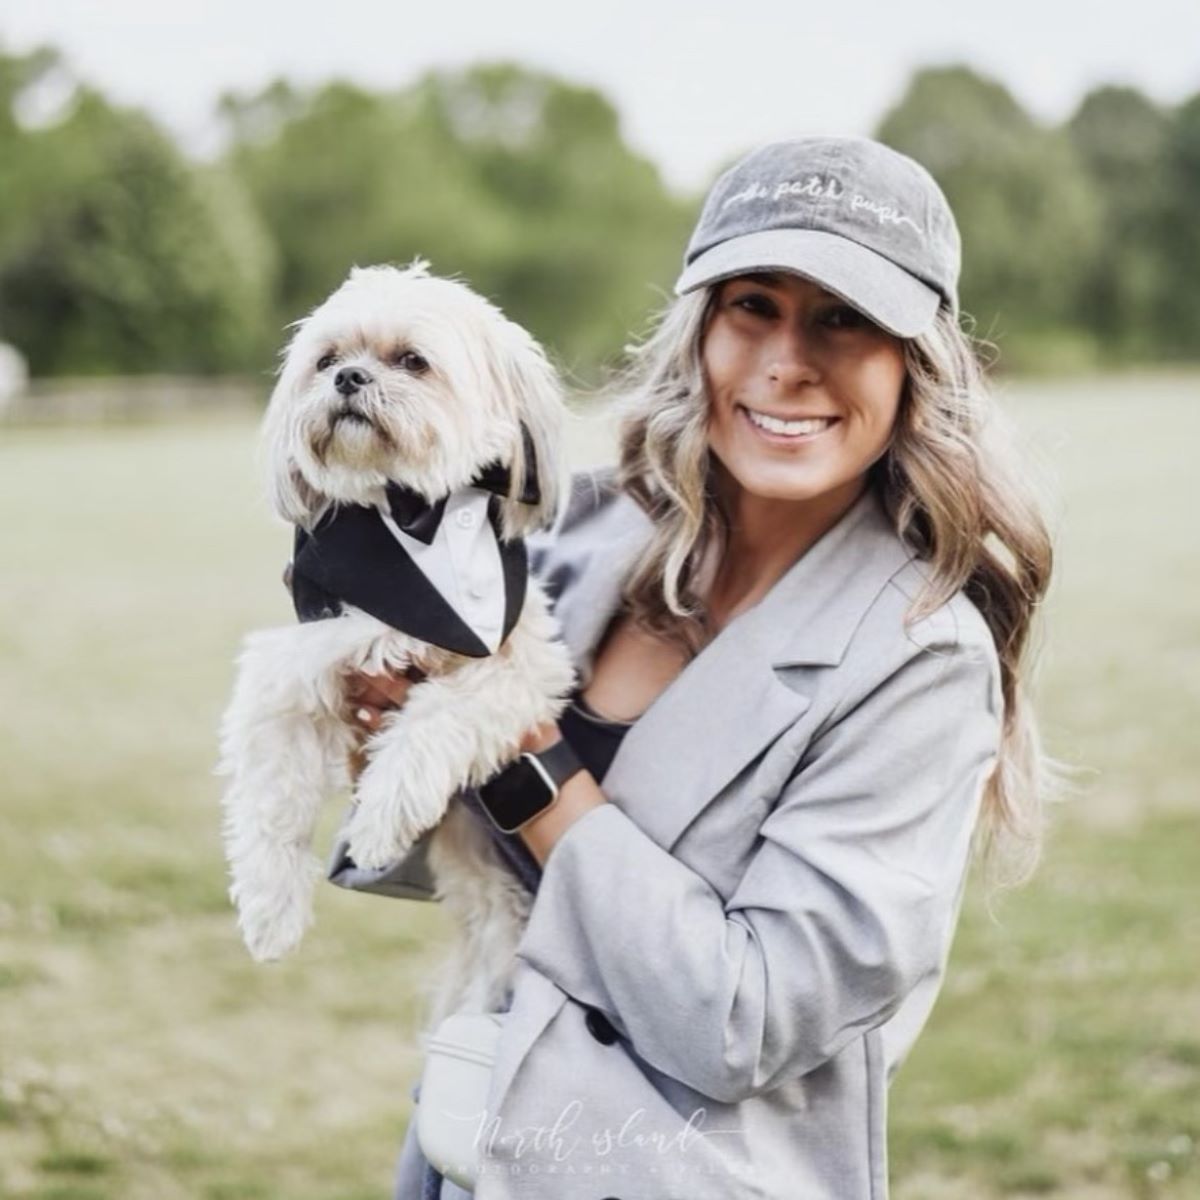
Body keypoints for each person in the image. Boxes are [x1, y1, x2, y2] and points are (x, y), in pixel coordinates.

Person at [340, 134, 1053, 1199]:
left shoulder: (922, 662)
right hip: (467, 1145)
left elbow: (745, 1018)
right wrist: (390, 736)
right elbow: (455, 865)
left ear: (917, 363)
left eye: (844, 318)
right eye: (752, 305)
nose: (786, 362)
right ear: (700, 332)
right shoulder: (581, 529)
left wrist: (522, 757)